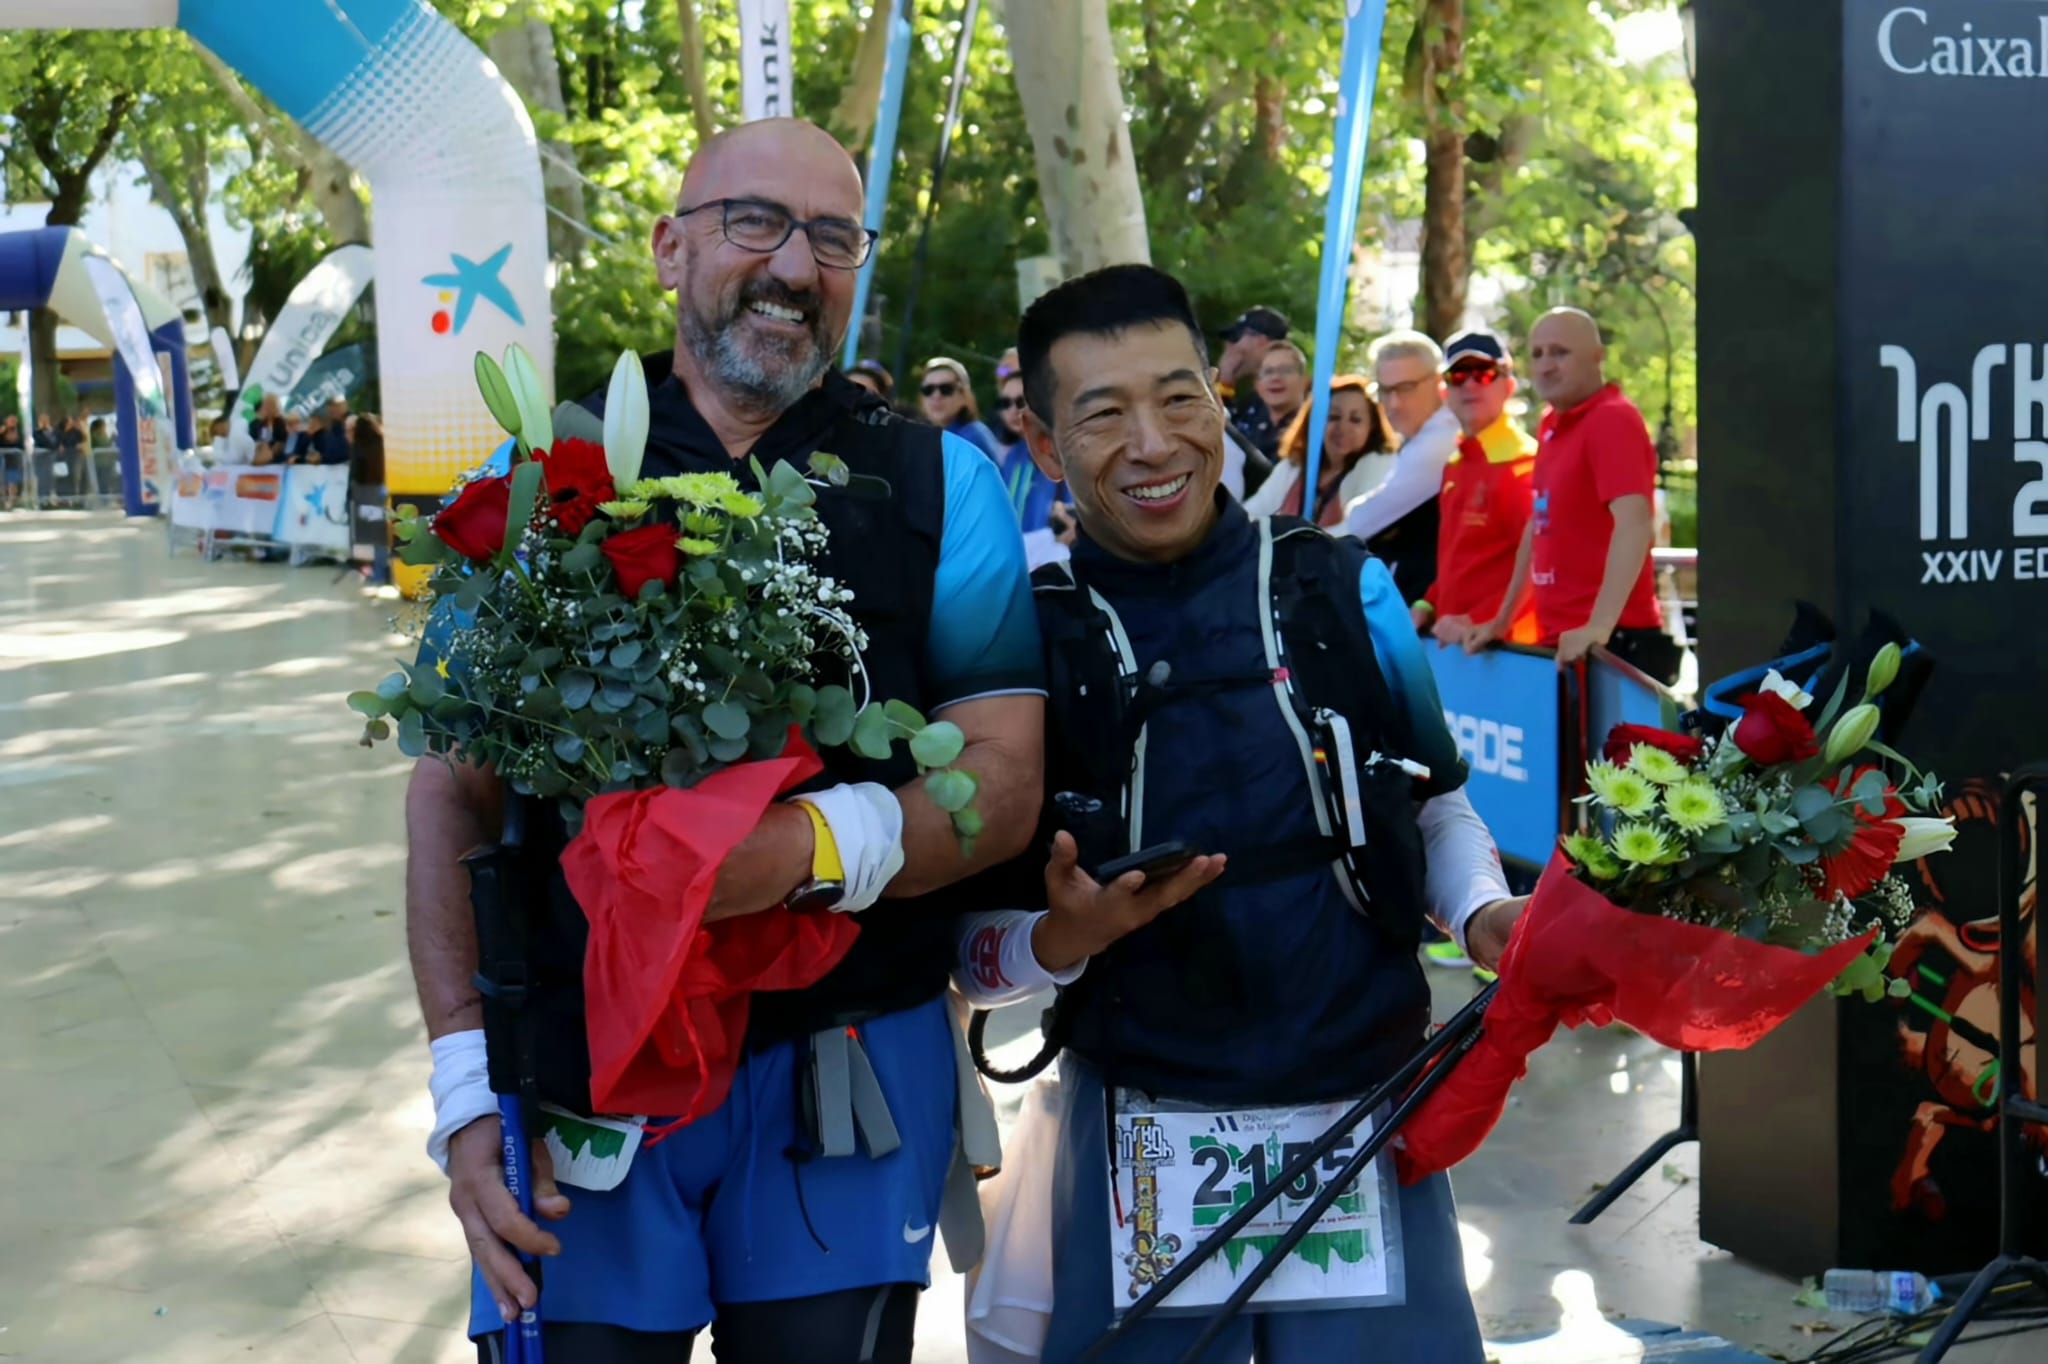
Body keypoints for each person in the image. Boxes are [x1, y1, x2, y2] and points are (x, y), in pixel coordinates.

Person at [408, 117, 1046, 1364]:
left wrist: (811, 845)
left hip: (846, 1064)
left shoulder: (937, 483)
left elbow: (1005, 777)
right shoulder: (541, 471)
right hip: (576, 1065)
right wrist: (459, 1082)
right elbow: (454, 795)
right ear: (666, 247)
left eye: (833, 237)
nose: (794, 266)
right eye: (754, 221)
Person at [951, 264, 1521, 1364]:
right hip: (1139, 1135)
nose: (1153, 443)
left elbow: (1437, 805)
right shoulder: (1023, 637)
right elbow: (968, 959)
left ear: (1220, 402)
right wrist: (1061, 937)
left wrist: (1483, 915)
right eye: (1102, 413)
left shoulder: (1338, 589)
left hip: (1362, 1114)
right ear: (1041, 442)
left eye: (1178, 399)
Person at [1464, 308, 1678, 682]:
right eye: (1537, 353)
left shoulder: (1612, 419)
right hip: (1567, 642)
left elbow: (1635, 523)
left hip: (1613, 646)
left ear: (1597, 357)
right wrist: (1502, 620)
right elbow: (1539, 527)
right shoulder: (1551, 423)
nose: (1545, 365)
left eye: (1560, 352)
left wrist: (1599, 626)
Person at [1412, 330, 1539, 649]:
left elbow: (1544, 568)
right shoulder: (1456, 463)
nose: (1469, 385)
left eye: (1483, 374)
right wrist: (1429, 604)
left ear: (1508, 386)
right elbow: (1459, 561)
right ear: (1445, 392)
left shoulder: (1526, 466)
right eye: (1458, 375)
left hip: (1508, 654)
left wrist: (1484, 619)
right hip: (1460, 650)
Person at [1333, 331, 1454, 605]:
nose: (1394, 404)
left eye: (1406, 388)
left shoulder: (1441, 439)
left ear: (1438, 383)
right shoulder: (1420, 436)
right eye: (1385, 391)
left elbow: (1363, 522)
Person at [1242, 374, 1395, 526]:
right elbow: (1251, 514)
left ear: (1372, 427)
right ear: (1314, 422)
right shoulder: (1294, 466)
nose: (1343, 428)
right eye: (1333, 417)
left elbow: (1358, 527)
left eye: (1355, 420)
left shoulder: (1380, 465)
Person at [1213, 306, 1290, 460]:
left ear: (1260, 342)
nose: (1228, 346)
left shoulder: (1281, 399)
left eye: (1235, 338)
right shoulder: (1252, 401)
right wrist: (1225, 385)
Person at [919, 356, 1005, 461]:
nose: (936, 396)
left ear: (964, 396)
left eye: (946, 389)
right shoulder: (933, 439)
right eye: (928, 390)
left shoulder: (971, 437)